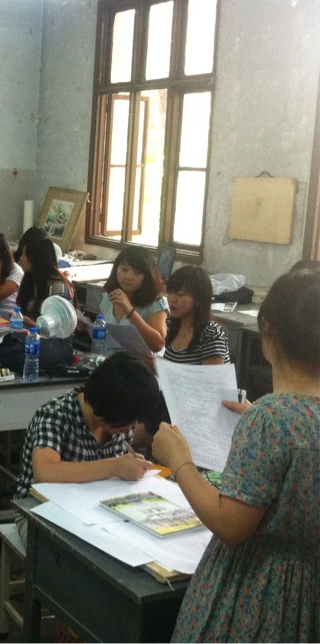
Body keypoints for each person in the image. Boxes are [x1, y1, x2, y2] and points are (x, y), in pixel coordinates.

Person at [152, 270, 319, 642]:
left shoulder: (270, 419)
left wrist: (179, 460)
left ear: (269, 333)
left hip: (257, 595)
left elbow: (230, 525)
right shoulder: (275, 418)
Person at [12, 352, 160, 546]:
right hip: (41, 511)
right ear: (104, 404)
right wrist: (115, 466)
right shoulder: (55, 415)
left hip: (96, 512)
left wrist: (131, 466)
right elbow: (45, 472)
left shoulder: (119, 422)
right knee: (74, 555)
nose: (133, 426)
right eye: (127, 420)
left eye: (135, 420)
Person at [99, 246, 168, 354]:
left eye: (137, 273)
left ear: (147, 276)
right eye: (124, 270)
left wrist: (130, 310)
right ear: (116, 269)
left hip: (141, 363)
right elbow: (105, 336)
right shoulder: (109, 296)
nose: (129, 277)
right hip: (110, 360)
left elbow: (157, 345)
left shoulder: (155, 302)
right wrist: (88, 327)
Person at [164, 265, 230, 365]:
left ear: (198, 299)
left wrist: (163, 365)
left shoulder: (211, 334)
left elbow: (211, 374)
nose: (172, 299)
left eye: (180, 294)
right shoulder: (169, 325)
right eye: (170, 293)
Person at [15, 237, 74, 327]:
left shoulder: (58, 287)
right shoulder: (30, 280)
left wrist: (31, 324)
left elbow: (58, 327)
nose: (20, 259)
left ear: (38, 259)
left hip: (47, 335)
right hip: (29, 332)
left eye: (25, 255)